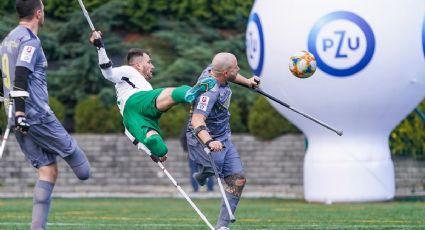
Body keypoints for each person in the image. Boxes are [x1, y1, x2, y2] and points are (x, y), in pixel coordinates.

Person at [0, 1, 91, 229]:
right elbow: (20, 74)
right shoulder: (29, 41)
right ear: (38, 14)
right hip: (36, 115)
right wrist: (21, 111)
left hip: (15, 117)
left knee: (48, 171)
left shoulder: (7, 39)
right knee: (83, 170)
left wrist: (12, 111)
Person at [89, 31, 216, 160]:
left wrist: (151, 153)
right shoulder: (129, 70)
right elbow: (108, 74)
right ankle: (188, 92)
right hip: (138, 100)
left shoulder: (130, 87)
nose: (152, 66)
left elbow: (132, 136)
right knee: (168, 95)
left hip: (131, 118)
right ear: (138, 65)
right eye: (149, 62)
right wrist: (100, 47)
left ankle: (156, 146)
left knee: (160, 148)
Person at [186, 52, 259, 230]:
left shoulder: (214, 71)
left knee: (238, 180)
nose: (239, 69)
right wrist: (210, 141)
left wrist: (248, 82)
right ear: (225, 73)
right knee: (214, 167)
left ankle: (222, 227)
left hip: (224, 137)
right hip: (203, 139)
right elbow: (197, 120)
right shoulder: (209, 92)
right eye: (235, 68)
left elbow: (233, 76)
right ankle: (203, 174)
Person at [180, 121, 214, 192]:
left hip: (194, 152)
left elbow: (183, 137)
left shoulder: (188, 123)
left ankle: (196, 189)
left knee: (194, 171)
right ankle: (209, 189)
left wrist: (187, 149)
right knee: (207, 170)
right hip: (204, 152)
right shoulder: (205, 122)